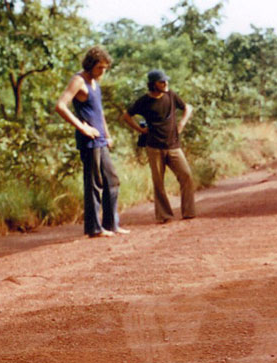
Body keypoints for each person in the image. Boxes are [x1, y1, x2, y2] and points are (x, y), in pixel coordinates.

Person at [54, 45, 128, 238]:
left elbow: (99, 112)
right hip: (88, 141)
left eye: (105, 68)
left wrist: (107, 134)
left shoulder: (96, 82)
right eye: (99, 68)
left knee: (112, 180)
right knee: (94, 183)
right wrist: (83, 127)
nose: (102, 72)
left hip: (101, 139)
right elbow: (60, 105)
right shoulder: (79, 81)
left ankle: (111, 224)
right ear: (90, 65)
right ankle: (94, 228)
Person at [121, 69, 196, 223]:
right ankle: (164, 215)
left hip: (173, 145)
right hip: (154, 146)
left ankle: (188, 211)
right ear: (153, 84)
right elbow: (127, 116)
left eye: (166, 81)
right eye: (162, 81)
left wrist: (182, 123)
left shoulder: (171, 95)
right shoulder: (144, 101)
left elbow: (188, 108)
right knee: (158, 182)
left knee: (186, 175)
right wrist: (140, 129)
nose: (165, 83)